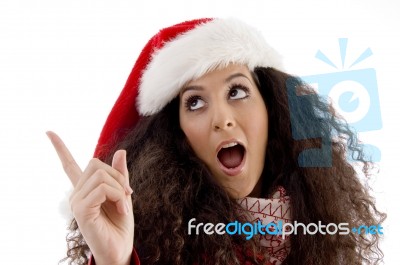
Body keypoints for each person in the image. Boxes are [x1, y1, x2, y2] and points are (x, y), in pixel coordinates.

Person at [47, 18, 386, 265]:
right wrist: (114, 260)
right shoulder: (163, 248)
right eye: (194, 102)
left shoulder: (323, 234)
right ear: (177, 136)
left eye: (237, 91)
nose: (221, 119)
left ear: (272, 108)